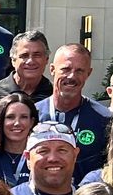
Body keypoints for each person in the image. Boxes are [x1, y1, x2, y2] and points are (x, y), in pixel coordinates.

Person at [34, 45, 108, 178]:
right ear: (52, 69)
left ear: (88, 73)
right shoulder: (32, 114)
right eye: (66, 69)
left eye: (79, 71)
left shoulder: (104, 119)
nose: (72, 76)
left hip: (87, 190)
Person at [0, 28, 51, 131]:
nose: (30, 61)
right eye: (24, 56)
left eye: (37, 55)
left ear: (46, 59)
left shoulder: (53, 95)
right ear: (13, 61)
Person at [0, 93, 39, 185]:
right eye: (10, 117)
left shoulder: (39, 157)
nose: (17, 123)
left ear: (31, 122)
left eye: (23, 117)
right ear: (0, 121)